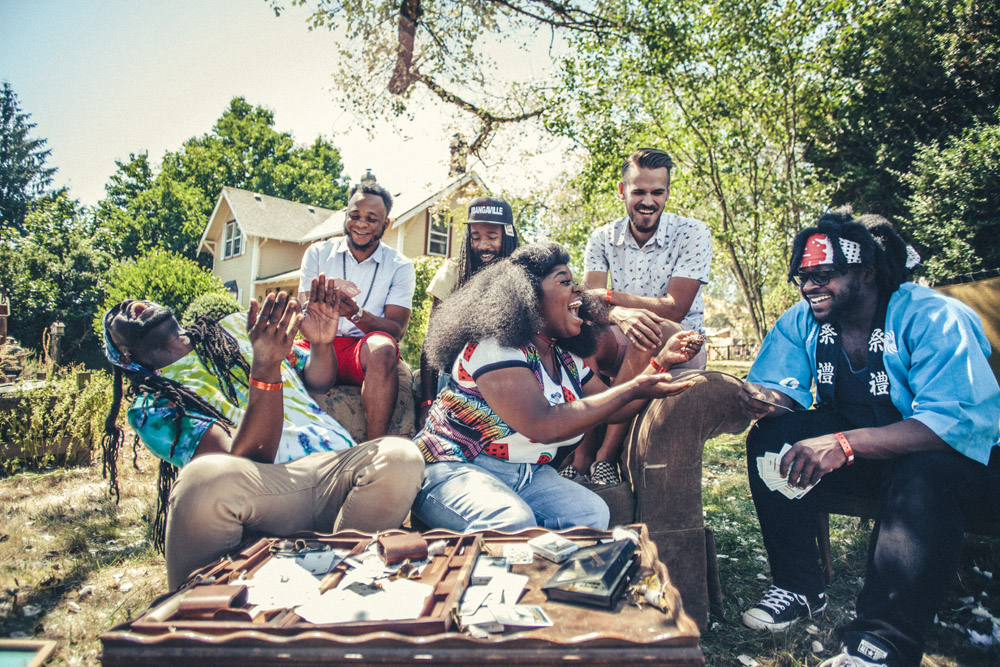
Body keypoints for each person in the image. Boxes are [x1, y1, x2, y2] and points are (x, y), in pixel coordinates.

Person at [738, 212, 1000, 667]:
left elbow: (953, 425)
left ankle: (881, 645)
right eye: (803, 276)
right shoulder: (805, 319)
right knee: (773, 436)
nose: (810, 286)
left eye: (825, 275)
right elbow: (780, 390)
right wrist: (761, 398)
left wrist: (842, 444)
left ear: (867, 272)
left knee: (924, 473)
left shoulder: (935, 317)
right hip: (872, 463)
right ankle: (799, 586)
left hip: (960, 473)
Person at [101, 278, 424, 589]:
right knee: (203, 479)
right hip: (267, 492)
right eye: (116, 313)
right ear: (124, 355)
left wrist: (322, 343)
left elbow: (317, 381)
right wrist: (264, 369)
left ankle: (336, 576)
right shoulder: (153, 404)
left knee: (401, 456)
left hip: (337, 471)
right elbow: (238, 463)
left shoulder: (238, 327)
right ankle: (207, 619)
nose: (129, 305)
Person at [411, 241, 704, 533]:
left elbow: (613, 409)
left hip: (526, 474)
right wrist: (634, 387)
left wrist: (660, 362)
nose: (579, 290)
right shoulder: (495, 348)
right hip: (452, 468)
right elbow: (543, 424)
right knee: (510, 524)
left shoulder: (566, 358)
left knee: (591, 514)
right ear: (527, 296)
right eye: (564, 281)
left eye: (575, 282)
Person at [571, 147, 712, 484]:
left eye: (657, 192)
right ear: (623, 191)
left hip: (679, 341)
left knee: (649, 328)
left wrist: (610, 299)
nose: (648, 201)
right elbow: (589, 307)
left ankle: (606, 456)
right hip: (620, 334)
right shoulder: (603, 237)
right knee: (582, 328)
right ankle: (581, 453)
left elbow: (675, 307)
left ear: (667, 192)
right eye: (639, 192)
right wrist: (620, 315)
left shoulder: (693, 232)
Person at [298, 179, 416, 439]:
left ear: (386, 224)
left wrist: (354, 313)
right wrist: (318, 314)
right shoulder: (318, 252)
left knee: (383, 347)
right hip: (317, 345)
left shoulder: (400, 265)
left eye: (371, 219)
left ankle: (373, 448)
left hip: (359, 352)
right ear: (346, 216)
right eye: (354, 215)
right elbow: (304, 310)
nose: (361, 223)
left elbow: (396, 330)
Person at [418, 196, 520, 423]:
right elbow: (431, 343)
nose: (483, 245)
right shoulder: (453, 272)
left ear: (508, 235)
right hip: (455, 383)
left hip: (509, 381)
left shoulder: (522, 275)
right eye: (476, 237)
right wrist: (426, 402)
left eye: (492, 237)